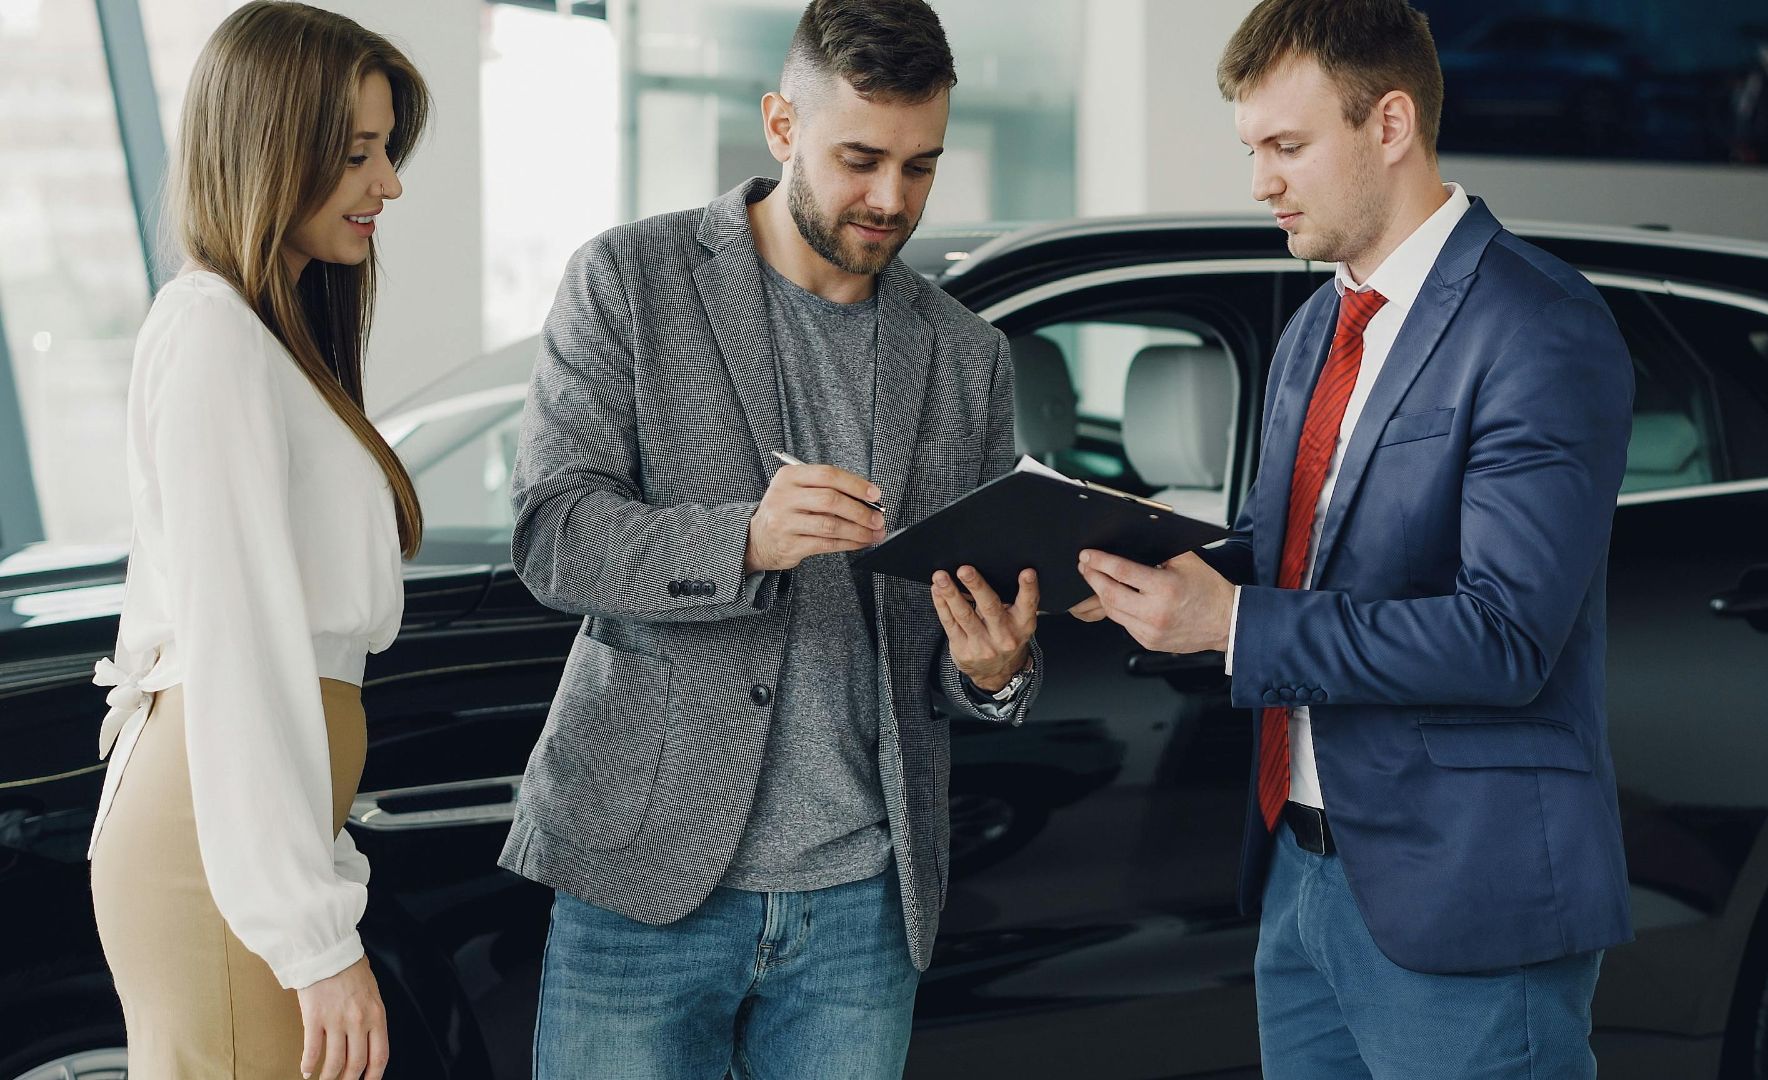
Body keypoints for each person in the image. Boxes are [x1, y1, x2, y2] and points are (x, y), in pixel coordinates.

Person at [1071, 1, 1635, 1076]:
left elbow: (1502, 638)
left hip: (1466, 907)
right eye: (1253, 151)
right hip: (1304, 880)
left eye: (1286, 147)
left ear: (1389, 125)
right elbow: (1283, 552)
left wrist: (1234, 623)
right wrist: (1135, 566)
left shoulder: (1540, 324)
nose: (1260, 184)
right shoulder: (1316, 327)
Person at [500, 2, 1040, 1076]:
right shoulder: (628, 282)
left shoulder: (967, 356)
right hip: (643, 889)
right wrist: (741, 540)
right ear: (782, 125)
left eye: (922, 166)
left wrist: (995, 670)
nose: (892, 199)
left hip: (861, 908)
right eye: (860, 159)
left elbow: (970, 628)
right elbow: (554, 535)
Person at [86, 4, 429, 1078]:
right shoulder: (215, 336)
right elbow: (239, 655)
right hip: (212, 851)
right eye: (358, 151)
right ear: (272, 143)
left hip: (234, 836)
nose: (389, 183)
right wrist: (315, 937)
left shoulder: (260, 339)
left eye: (388, 150)